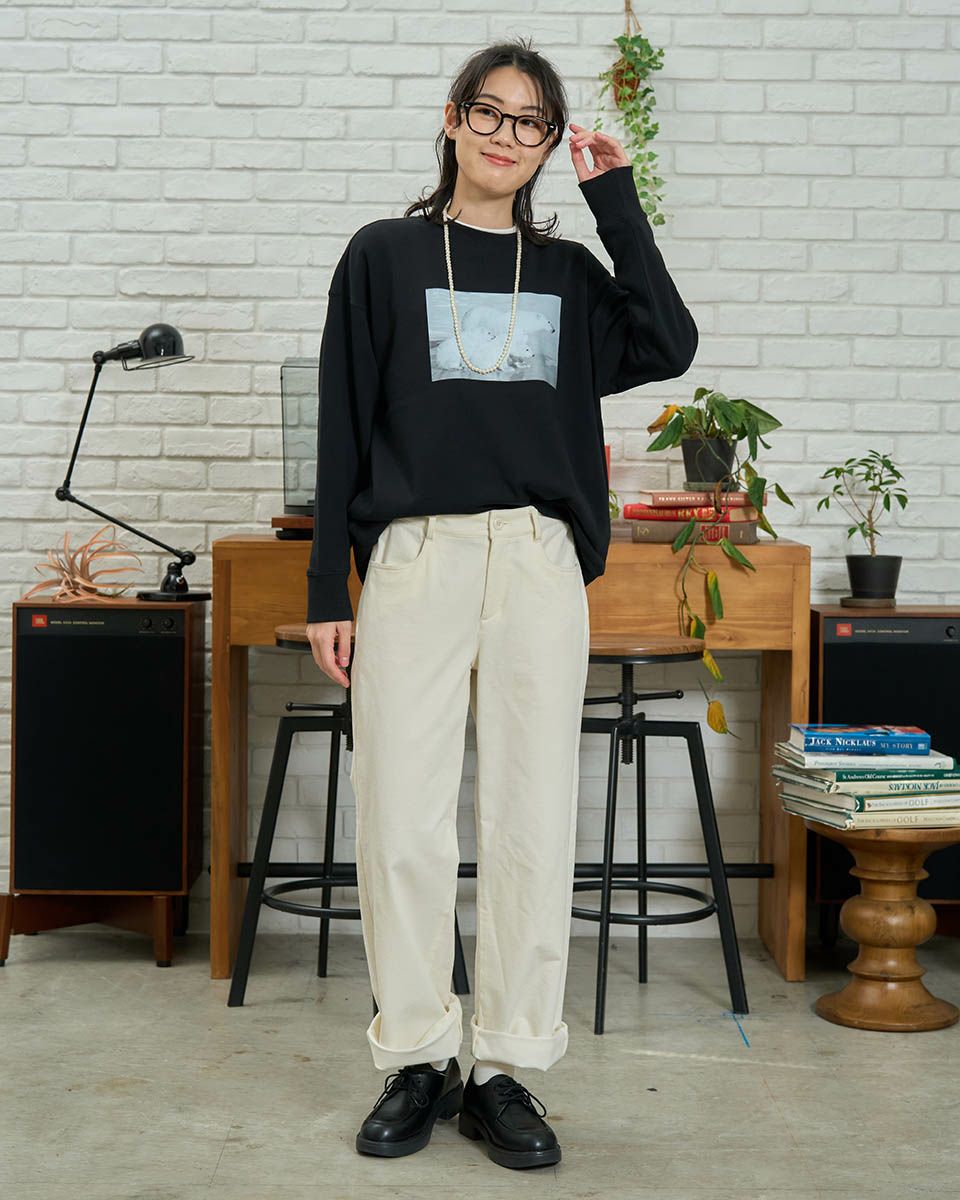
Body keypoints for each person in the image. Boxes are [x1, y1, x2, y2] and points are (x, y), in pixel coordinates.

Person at [304, 37, 698, 1171]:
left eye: (532, 122)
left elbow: (669, 342)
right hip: (416, 557)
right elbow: (342, 422)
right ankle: (417, 1055)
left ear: (547, 143)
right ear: (453, 117)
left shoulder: (568, 274)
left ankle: (507, 1065)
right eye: (490, 111)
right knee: (401, 817)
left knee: (531, 815)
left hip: (535, 562)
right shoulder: (383, 256)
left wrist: (614, 199)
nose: (506, 135)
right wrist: (330, 585)